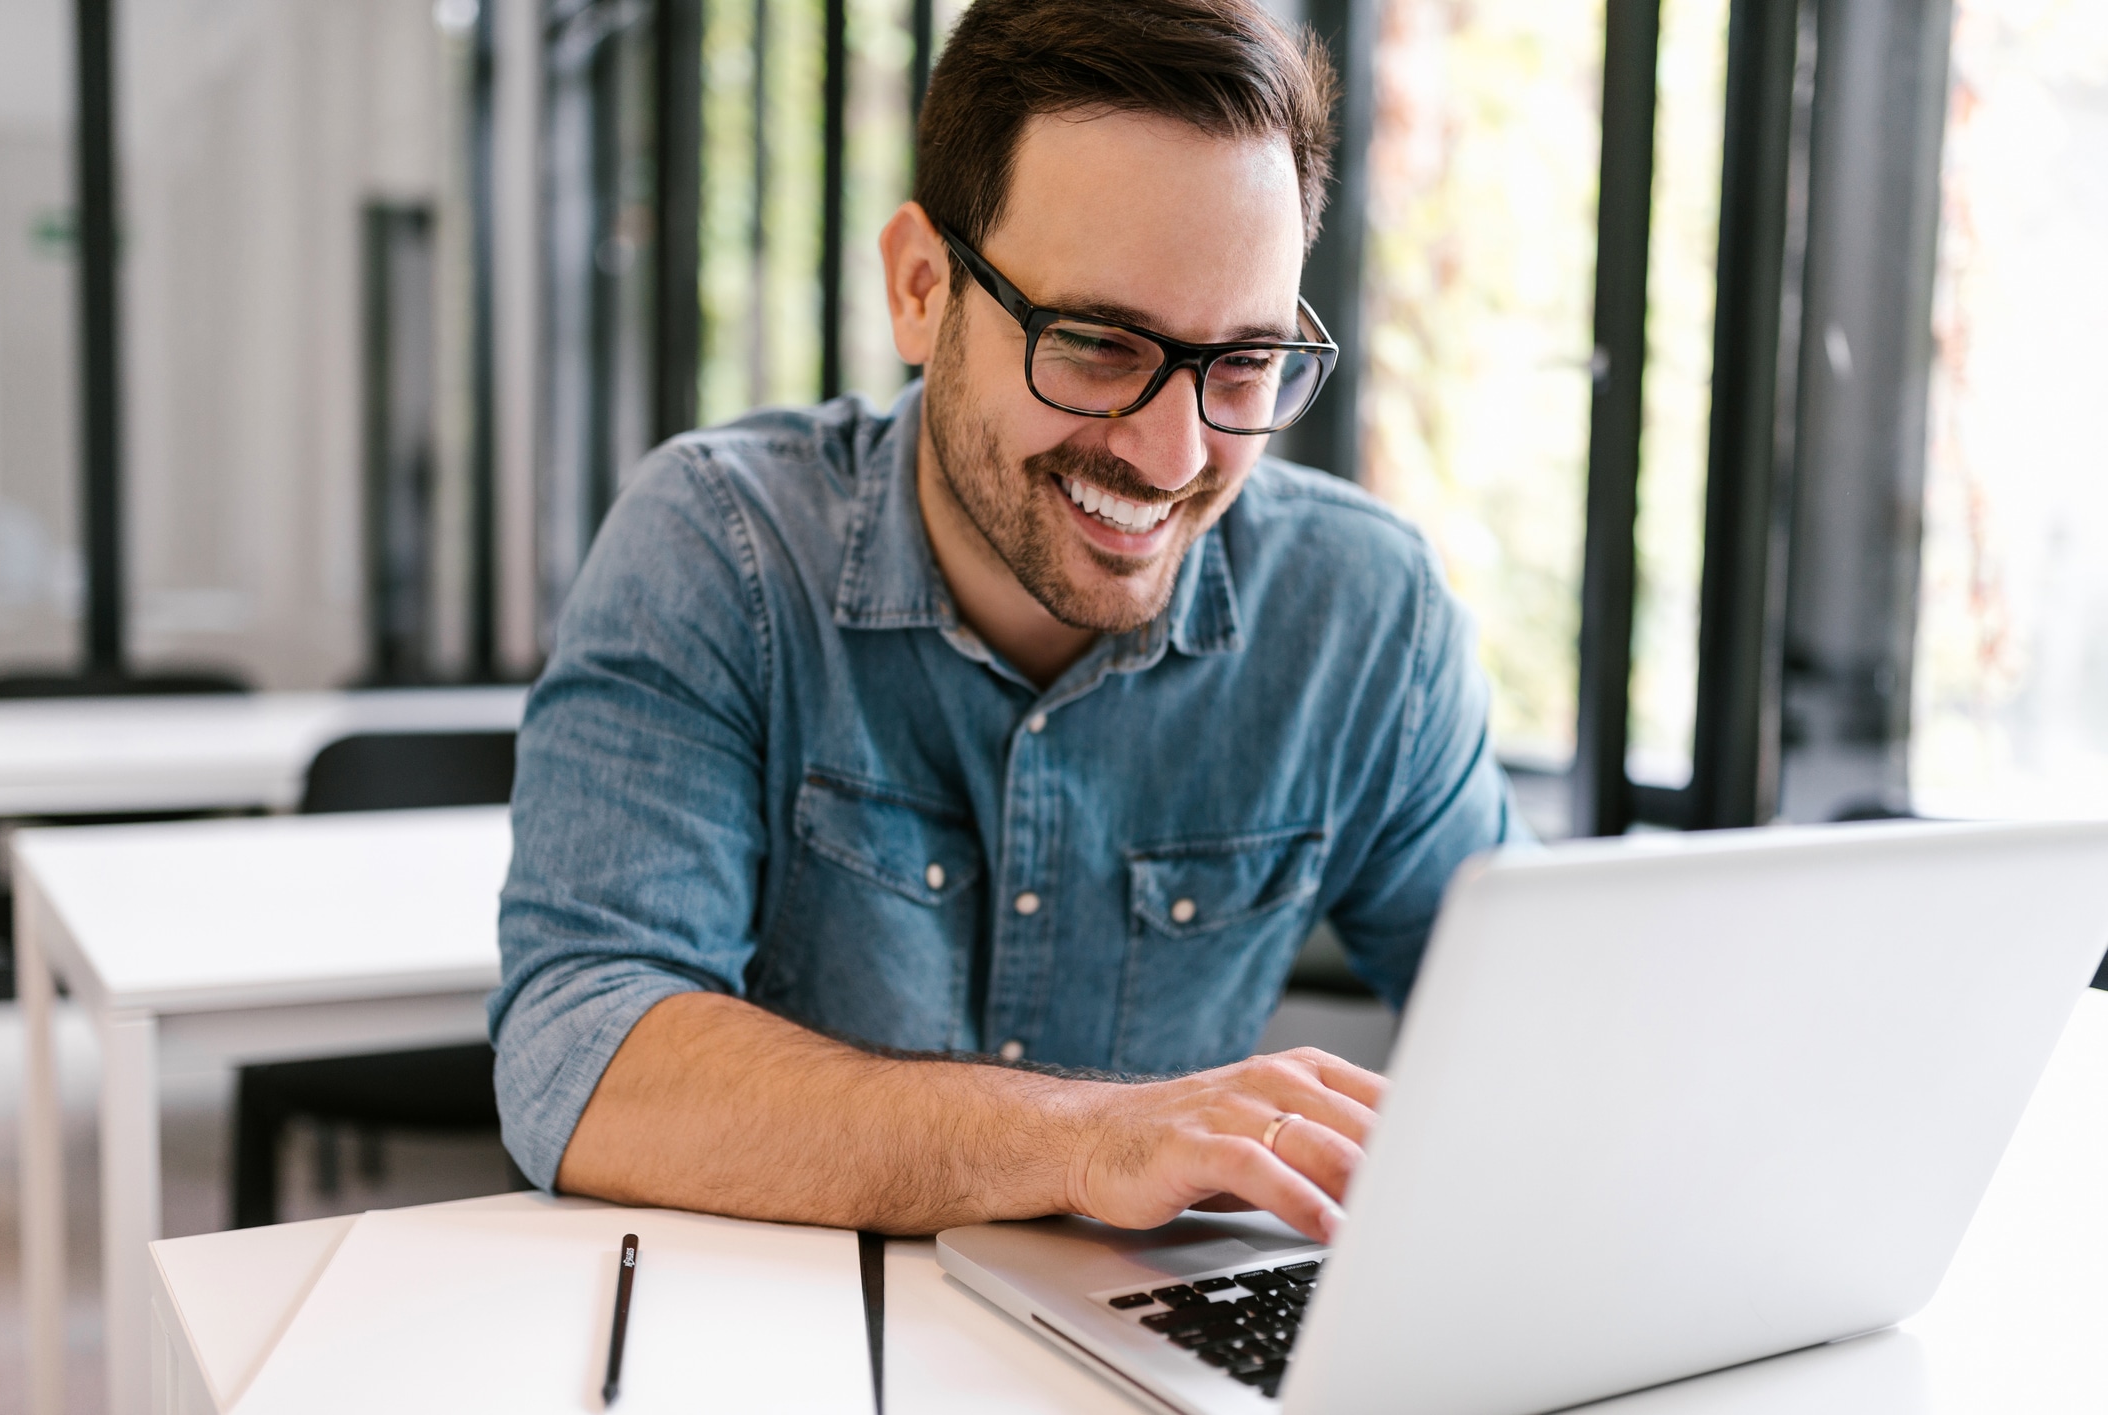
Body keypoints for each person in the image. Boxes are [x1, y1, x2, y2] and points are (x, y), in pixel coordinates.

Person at [491, 0, 1524, 1246]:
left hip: (1131, 1352)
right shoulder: (721, 545)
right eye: (1095, 343)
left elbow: (1537, 1035)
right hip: (780, 1342)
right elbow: (580, 1053)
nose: (1173, 451)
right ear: (922, 289)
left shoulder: (1366, 616)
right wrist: (1087, 1139)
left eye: (1243, 364)